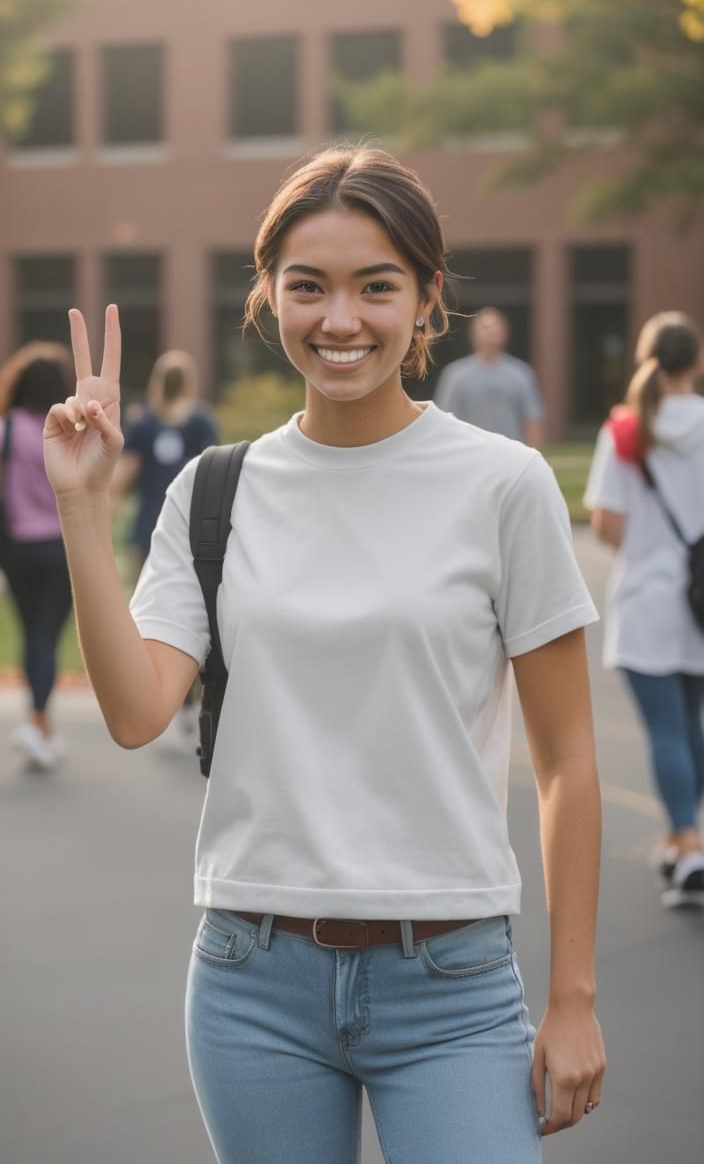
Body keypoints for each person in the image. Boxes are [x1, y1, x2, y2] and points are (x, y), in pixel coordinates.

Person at [44, 146, 605, 1162]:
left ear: (428, 297)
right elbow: (135, 714)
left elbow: (565, 757)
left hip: (452, 985)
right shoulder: (214, 491)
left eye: (375, 286)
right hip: (250, 979)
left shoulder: (503, 486)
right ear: (267, 295)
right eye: (307, 286)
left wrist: (572, 996)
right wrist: (83, 508)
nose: (338, 319)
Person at [584, 312, 704, 909]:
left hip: (648, 601)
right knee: (693, 723)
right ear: (697, 363)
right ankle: (691, 838)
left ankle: (685, 846)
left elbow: (607, 524)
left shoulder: (629, 429)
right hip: (701, 604)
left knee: (665, 730)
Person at [0, 343, 74, 771]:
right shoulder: (69, 429)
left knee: (30, 633)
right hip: (60, 547)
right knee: (46, 638)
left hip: (17, 548)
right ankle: (38, 726)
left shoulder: (2, 429)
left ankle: (40, 725)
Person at [112, 348, 218, 579]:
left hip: (149, 523)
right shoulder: (202, 422)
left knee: (143, 601)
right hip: (192, 527)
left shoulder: (144, 424)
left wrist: (110, 508)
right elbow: (214, 478)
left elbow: (122, 477)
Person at [433, 307, 545, 447]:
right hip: (470, 453)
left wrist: (534, 454)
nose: (490, 332)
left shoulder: (521, 373)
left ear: (505, 332)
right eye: (485, 328)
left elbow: (532, 419)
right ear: (473, 333)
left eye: (495, 328)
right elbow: (445, 420)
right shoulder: (455, 374)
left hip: (511, 454)